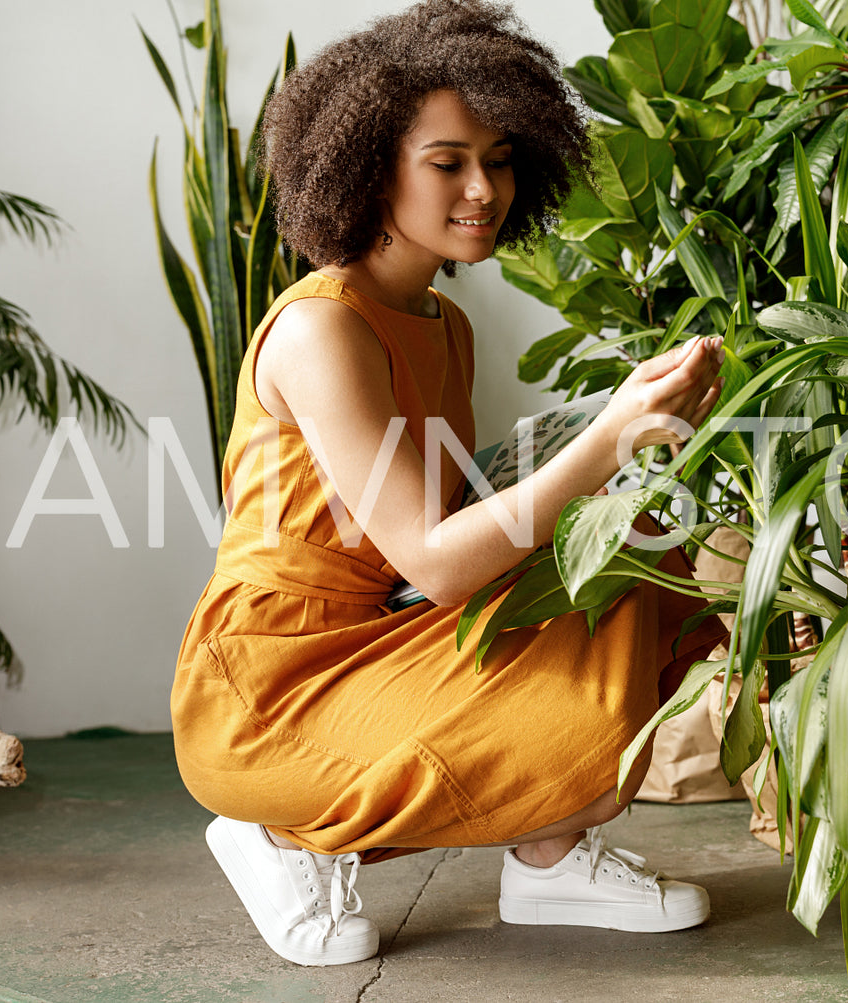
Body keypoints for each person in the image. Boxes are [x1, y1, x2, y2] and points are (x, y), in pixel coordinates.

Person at [170, 0, 728, 968]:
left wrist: (622, 454)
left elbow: (439, 535)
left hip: (384, 635)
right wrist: (601, 440)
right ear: (367, 164)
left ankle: (547, 856)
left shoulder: (445, 326)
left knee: (644, 560)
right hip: (272, 688)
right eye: (448, 163)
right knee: (588, 635)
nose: (485, 188)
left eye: (501, 157)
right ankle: (276, 829)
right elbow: (433, 564)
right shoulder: (321, 331)